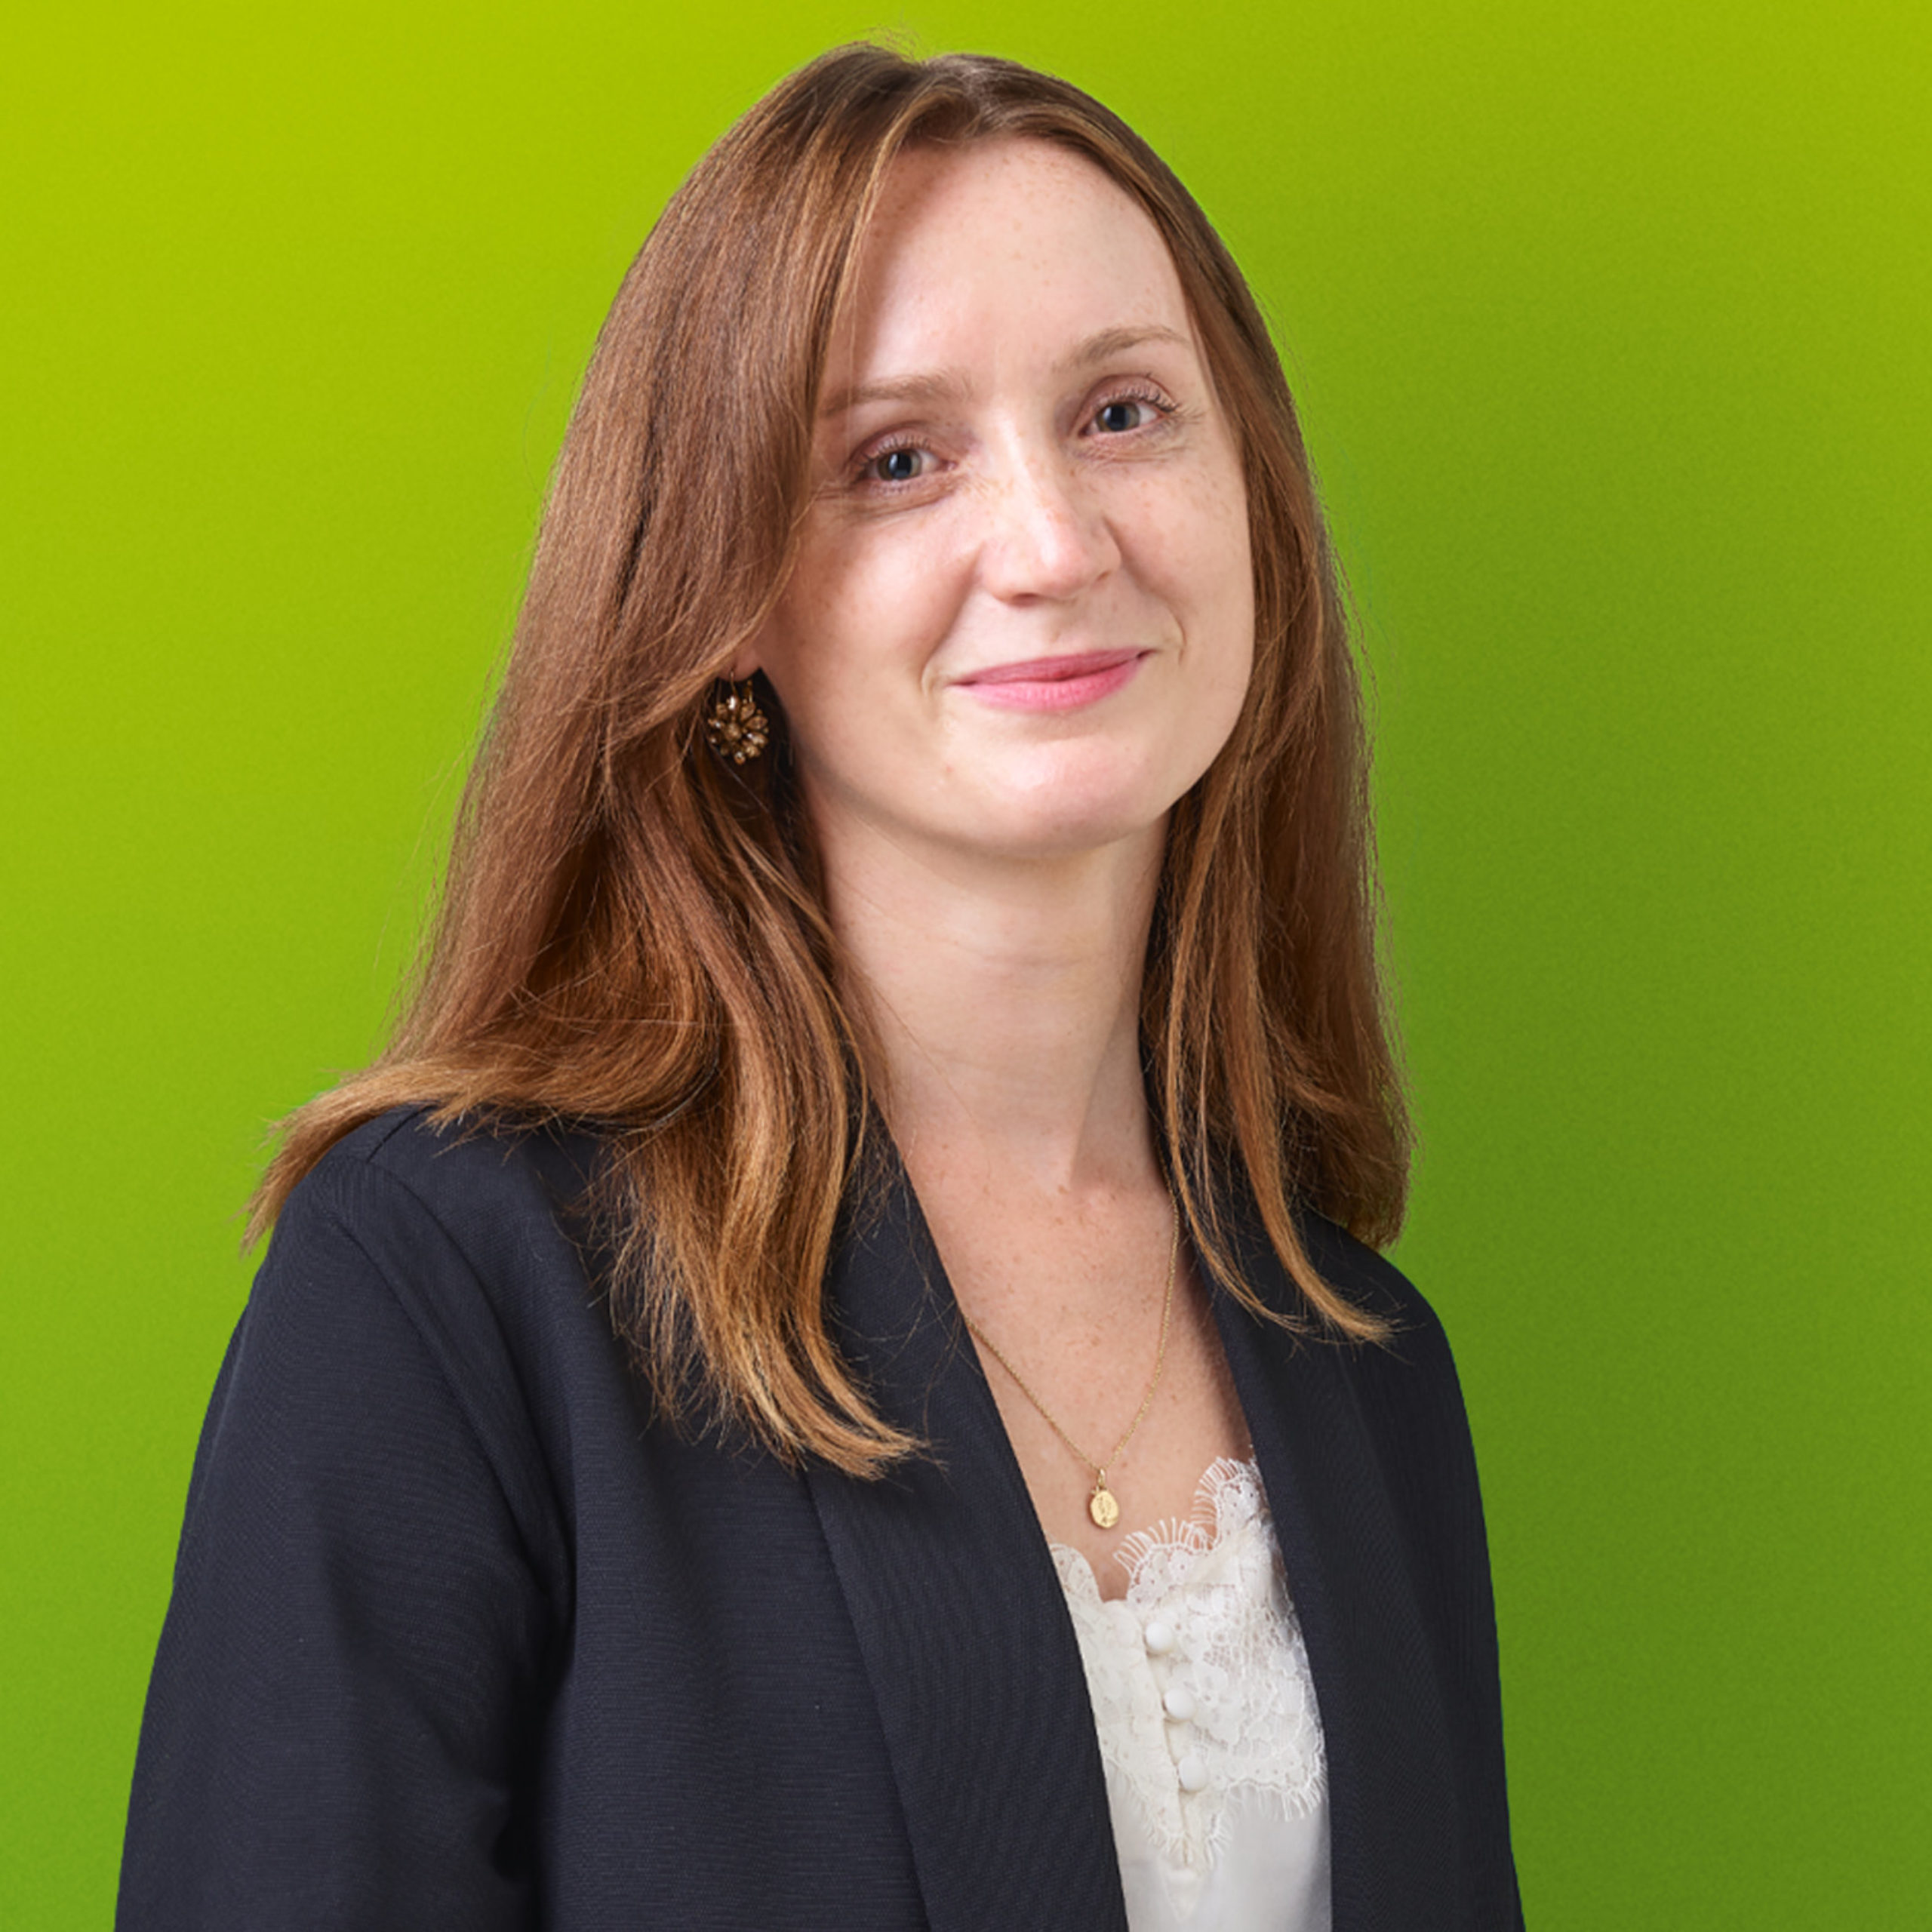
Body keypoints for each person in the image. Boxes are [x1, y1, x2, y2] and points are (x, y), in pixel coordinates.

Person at [118, 43, 1520, 1932]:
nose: (1052, 544)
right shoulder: (451, 1277)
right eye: (895, 460)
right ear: (726, 602)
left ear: (1250, 494)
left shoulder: (1362, 1357)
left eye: (1121, 412)